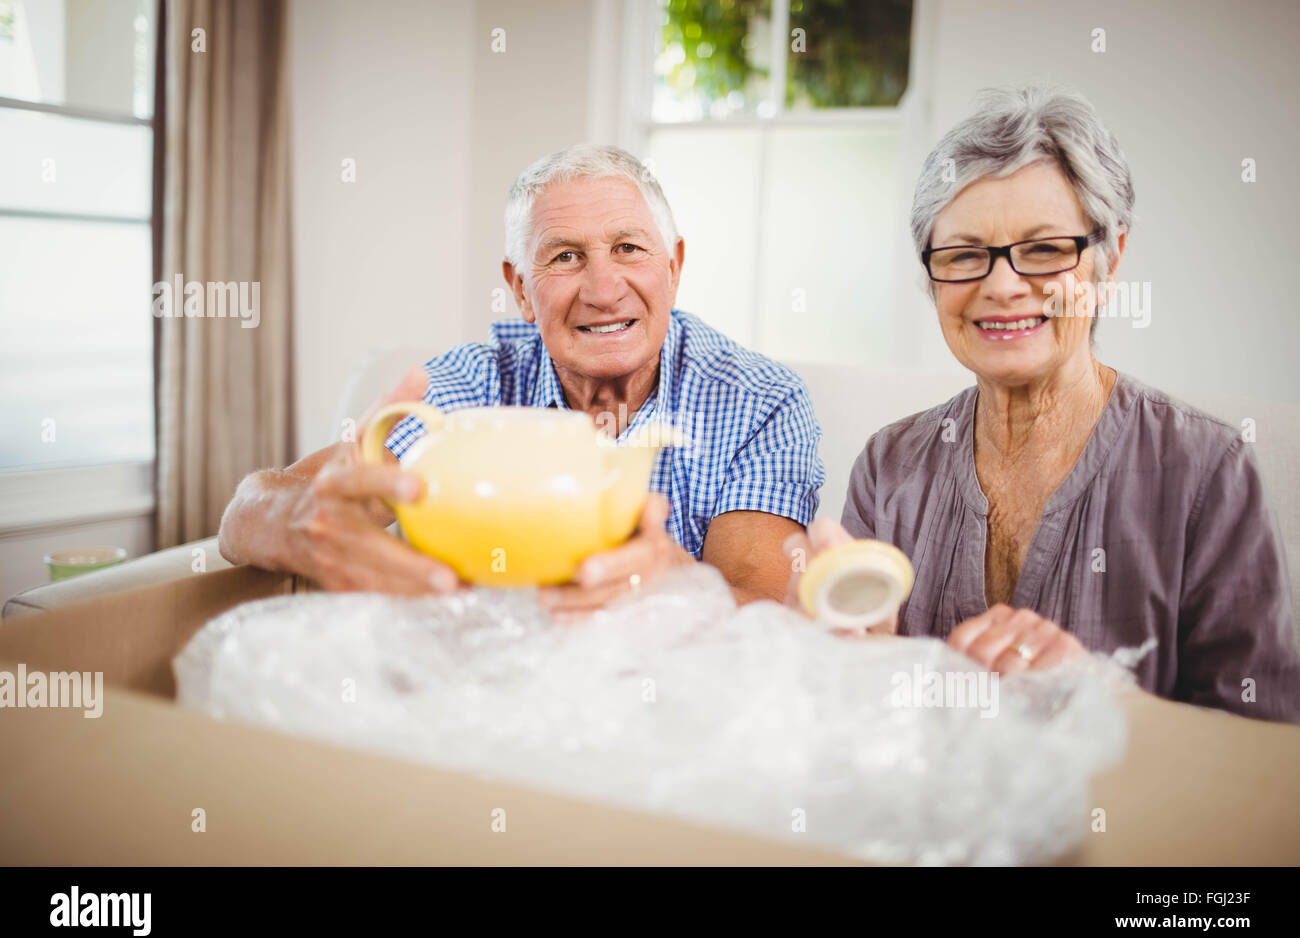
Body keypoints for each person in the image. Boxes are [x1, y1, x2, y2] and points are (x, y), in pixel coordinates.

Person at [787, 85, 1300, 723]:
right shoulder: (888, 467)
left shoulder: (1208, 469)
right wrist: (859, 658)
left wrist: (1101, 697)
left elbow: (1267, 749)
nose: (1001, 285)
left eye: (1045, 250)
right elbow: (848, 720)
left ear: (1109, 262)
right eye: (965, 255)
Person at [219, 145, 824, 613]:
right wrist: (299, 528)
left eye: (629, 249)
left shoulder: (760, 401)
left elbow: (766, 620)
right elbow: (243, 517)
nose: (603, 289)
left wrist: (678, 589)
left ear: (674, 266)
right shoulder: (468, 388)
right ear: (519, 290)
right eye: (565, 256)